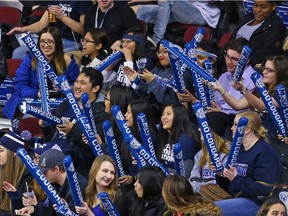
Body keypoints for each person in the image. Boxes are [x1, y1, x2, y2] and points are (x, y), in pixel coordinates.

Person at [39, 67, 109, 177]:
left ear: (95, 88)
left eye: (82, 83)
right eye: (76, 81)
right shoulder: (66, 105)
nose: (77, 86)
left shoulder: (101, 113)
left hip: (77, 166)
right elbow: (52, 136)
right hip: (51, 155)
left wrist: (73, 130)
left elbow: (98, 147)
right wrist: (45, 127)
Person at [3, 26, 79, 121]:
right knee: (31, 121)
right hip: (33, 101)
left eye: (50, 41)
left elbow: (75, 86)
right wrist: (38, 94)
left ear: (58, 43)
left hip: (59, 103)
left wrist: (64, 89)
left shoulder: (67, 60)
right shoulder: (30, 59)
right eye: (42, 41)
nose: (46, 45)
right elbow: (19, 86)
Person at [215, 111, 282, 216]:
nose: (232, 128)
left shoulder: (265, 152)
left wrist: (236, 178)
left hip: (257, 202)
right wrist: (221, 174)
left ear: (247, 129)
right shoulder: (238, 149)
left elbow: (265, 190)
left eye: (236, 125)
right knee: (198, 207)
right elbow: (229, 186)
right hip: (236, 197)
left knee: (210, 211)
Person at [210, 55, 288, 137]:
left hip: (270, 135)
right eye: (264, 68)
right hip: (254, 130)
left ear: (280, 73)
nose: (264, 72)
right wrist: (221, 89)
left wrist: (243, 89)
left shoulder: (284, 92)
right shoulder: (261, 89)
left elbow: (263, 106)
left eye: (269, 70)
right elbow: (238, 105)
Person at [16, 147, 88, 216]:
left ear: (57, 169)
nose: (42, 175)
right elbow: (50, 210)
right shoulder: (55, 183)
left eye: (45, 172)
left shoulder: (77, 187)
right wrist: (34, 209)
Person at [7, 0, 92, 58]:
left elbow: (83, 30)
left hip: (73, 42)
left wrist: (63, 17)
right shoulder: (55, 1)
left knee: (47, 56)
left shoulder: (83, 2)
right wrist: (23, 29)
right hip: (54, 40)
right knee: (18, 52)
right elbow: (41, 25)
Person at [125, 36, 194, 106]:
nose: (161, 55)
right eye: (159, 51)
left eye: (165, 51)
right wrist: (137, 80)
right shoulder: (157, 69)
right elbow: (144, 93)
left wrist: (152, 81)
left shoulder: (183, 74)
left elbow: (170, 101)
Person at [136, 0, 221, 44]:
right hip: (181, 8)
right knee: (140, 10)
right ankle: (135, 41)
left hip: (202, 14)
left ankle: (156, 41)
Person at [231, 0, 286, 67]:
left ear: (273, 6)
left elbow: (266, 55)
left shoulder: (276, 26)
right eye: (255, 5)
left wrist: (241, 64)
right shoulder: (247, 18)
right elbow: (231, 41)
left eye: (263, 7)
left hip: (248, 68)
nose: (258, 10)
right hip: (230, 61)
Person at [119, 100, 159, 186]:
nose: (125, 115)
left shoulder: (150, 138)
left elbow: (150, 167)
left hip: (146, 183)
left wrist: (133, 178)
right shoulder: (129, 133)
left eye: (129, 112)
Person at [189, 112, 231, 193]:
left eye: (203, 127)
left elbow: (221, 186)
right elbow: (193, 179)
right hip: (200, 195)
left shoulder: (228, 154)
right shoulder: (200, 153)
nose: (198, 129)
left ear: (214, 130)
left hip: (218, 196)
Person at [158, 103, 200, 178]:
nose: (164, 117)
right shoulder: (164, 137)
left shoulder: (186, 140)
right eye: (163, 114)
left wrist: (162, 172)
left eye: (168, 114)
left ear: (178, 117)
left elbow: (186, 173)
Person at [0, 129, 33, 214]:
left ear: (14, 153)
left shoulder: (28, 178)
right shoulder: (1, 170)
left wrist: (15, 197)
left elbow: (22, 211)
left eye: (1, 151)